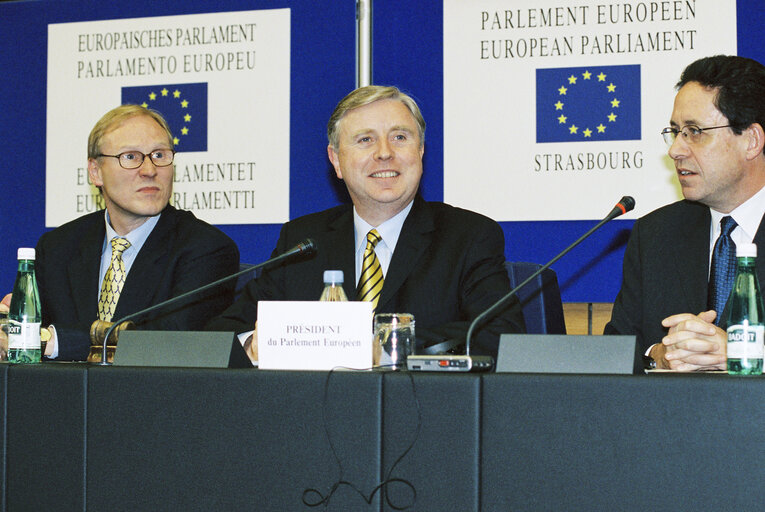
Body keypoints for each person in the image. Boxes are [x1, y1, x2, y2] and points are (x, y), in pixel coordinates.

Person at [206, 85, 525, 360]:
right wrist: (253, 344)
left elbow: (499, 336)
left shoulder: (468, 236)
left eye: (399, 137)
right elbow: (223, 333)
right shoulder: (303, 240)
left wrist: (374, 343)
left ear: (421, 151)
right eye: (365, 140)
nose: (385, 153)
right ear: (336, 161)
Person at [1, 104, 239, 360]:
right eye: (130, 157)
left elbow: (168, 342)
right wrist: (8, 326)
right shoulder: (58, 247)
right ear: (95, 172)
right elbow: (29, 328)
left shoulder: (206, 249)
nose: (149, 170)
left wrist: (53, 341)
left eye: (159, 155)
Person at [605, 55, 765, 371]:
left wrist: (743, 354)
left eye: (694, 131)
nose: (675, 149)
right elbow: (618, 350)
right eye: (676, 131)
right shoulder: (655, 234)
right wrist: (658, 356)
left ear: (751, 141)